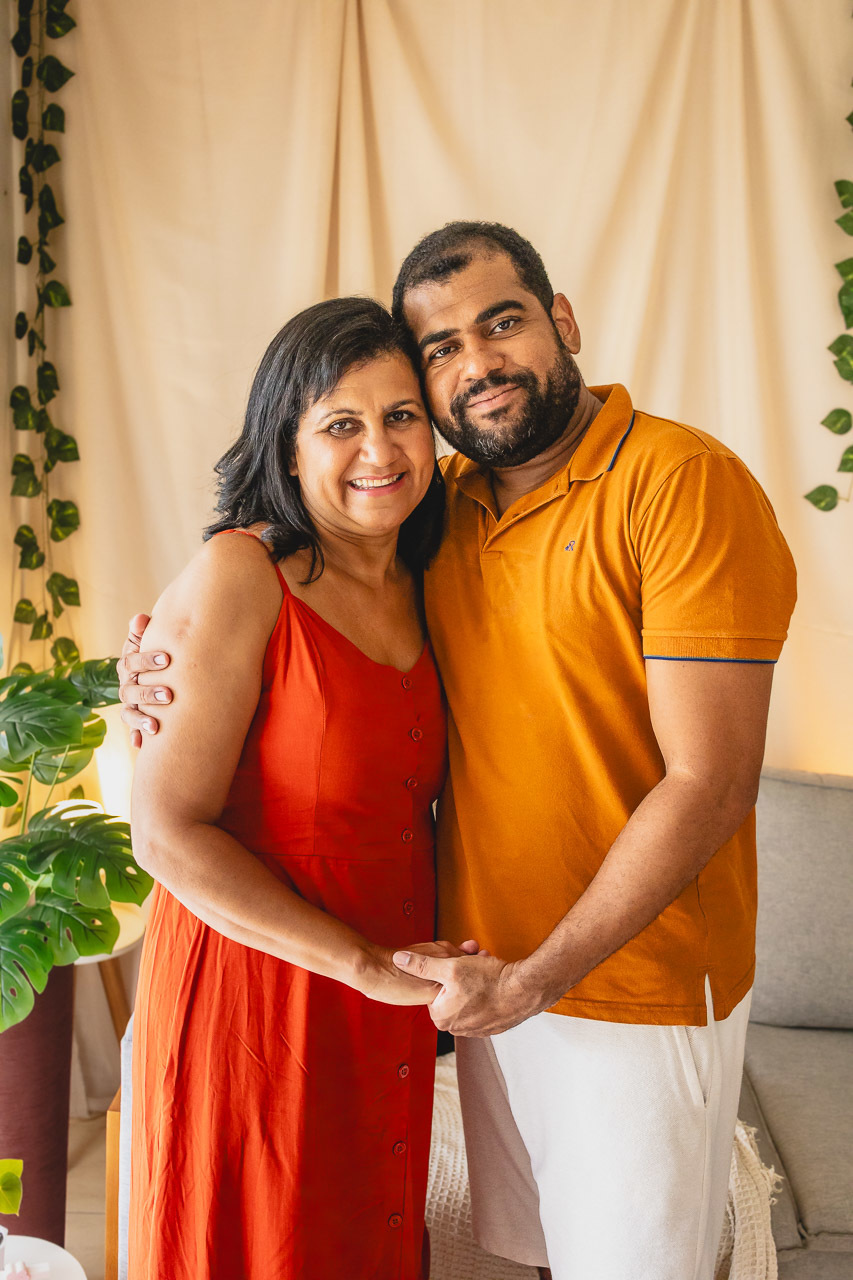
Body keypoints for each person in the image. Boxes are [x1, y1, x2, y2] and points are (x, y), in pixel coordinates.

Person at [120, 223, 797, 1280]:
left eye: (502, 322)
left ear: (560, 321)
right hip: (385, 981)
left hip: (590, 980)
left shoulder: (666, 484)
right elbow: (173, 805)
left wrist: (527, 976)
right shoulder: (433, 521)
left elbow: (710, 779)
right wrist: (165, 647)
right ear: (287, 440)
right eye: (437, 351)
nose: (473, 364)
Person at [124, 295, 479, 1280]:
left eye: (402, 414)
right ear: (285, 448)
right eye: (341, 423)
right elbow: (162, 830)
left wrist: (387, 973)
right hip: (262, 991)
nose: (380, 447)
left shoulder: (431, 573)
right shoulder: (242, 574)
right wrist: (362, 963)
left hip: (386, 993)